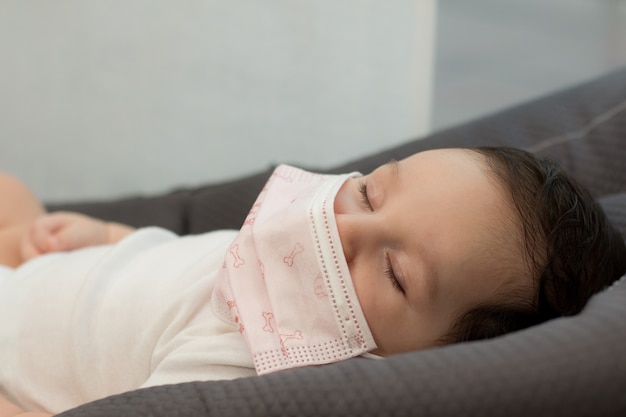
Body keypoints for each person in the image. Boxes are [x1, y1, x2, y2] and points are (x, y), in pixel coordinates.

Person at [0, 147, 624, 416]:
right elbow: (175, 257)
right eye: (371, 190)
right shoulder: (275, 251)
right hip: (38, 268)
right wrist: (100, 234)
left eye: (394, 273)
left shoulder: (242, 371)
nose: (343, 227)